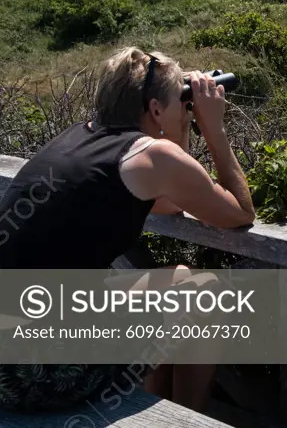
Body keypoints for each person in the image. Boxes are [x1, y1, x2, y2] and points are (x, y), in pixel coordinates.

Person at [0, 47, 256, 414]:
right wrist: (214, 129)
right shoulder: (150, 157)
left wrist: (179, 128)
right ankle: (188, 420)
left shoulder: (82, 137)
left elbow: (168, 203)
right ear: (154, 110)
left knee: (182, 281)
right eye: (178, 100)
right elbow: (239, 214)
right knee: (206, 295)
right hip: (31, 376)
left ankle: (168, 410)